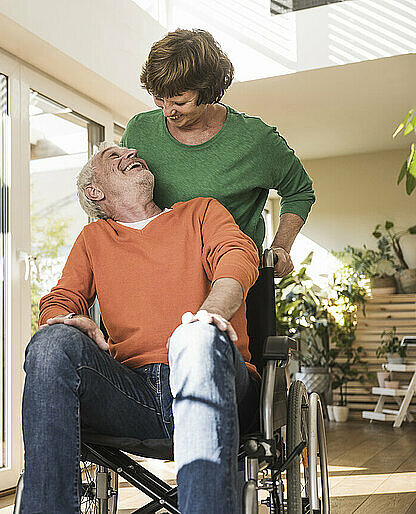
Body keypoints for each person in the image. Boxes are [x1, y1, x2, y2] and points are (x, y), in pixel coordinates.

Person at [20, 142, 260, 514]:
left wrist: (209, 315)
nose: (130, 153)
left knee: (193, 338)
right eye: (114, 157)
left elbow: (236, 257)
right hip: (136, 395)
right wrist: (67, 319)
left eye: (129, 152)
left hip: (216, 378)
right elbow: (61, 297)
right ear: (95, 192)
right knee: (51, 341)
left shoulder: (200, 212)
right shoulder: (93, 239)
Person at [121, 28, 315, 278]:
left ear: (208, 91)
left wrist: (281, 247)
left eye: (180, 102)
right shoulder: (139, 130)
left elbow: (300, 191)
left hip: (231, 278)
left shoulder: (256, 140)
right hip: (157, 276)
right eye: (159, 98)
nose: (168, 111)